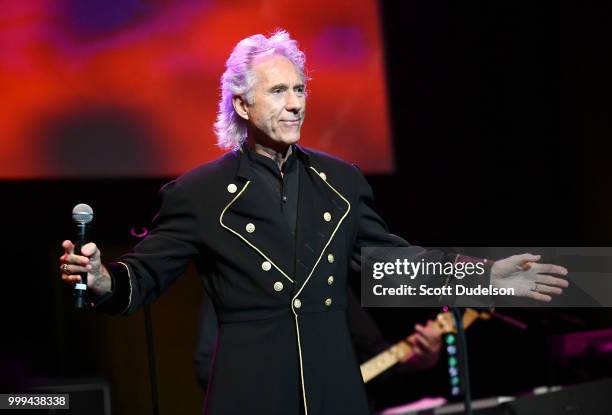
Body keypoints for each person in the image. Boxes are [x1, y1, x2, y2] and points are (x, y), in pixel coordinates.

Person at [59, 30, 568, 415]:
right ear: (241, 103)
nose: (296, 103)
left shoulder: (340, 181)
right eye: (279, 91)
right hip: (250, 392)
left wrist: (482, 275)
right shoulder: (199, 194)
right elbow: (144, 276)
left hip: (334, 391)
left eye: (300, 89)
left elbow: (389, 263)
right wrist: (104, 279)